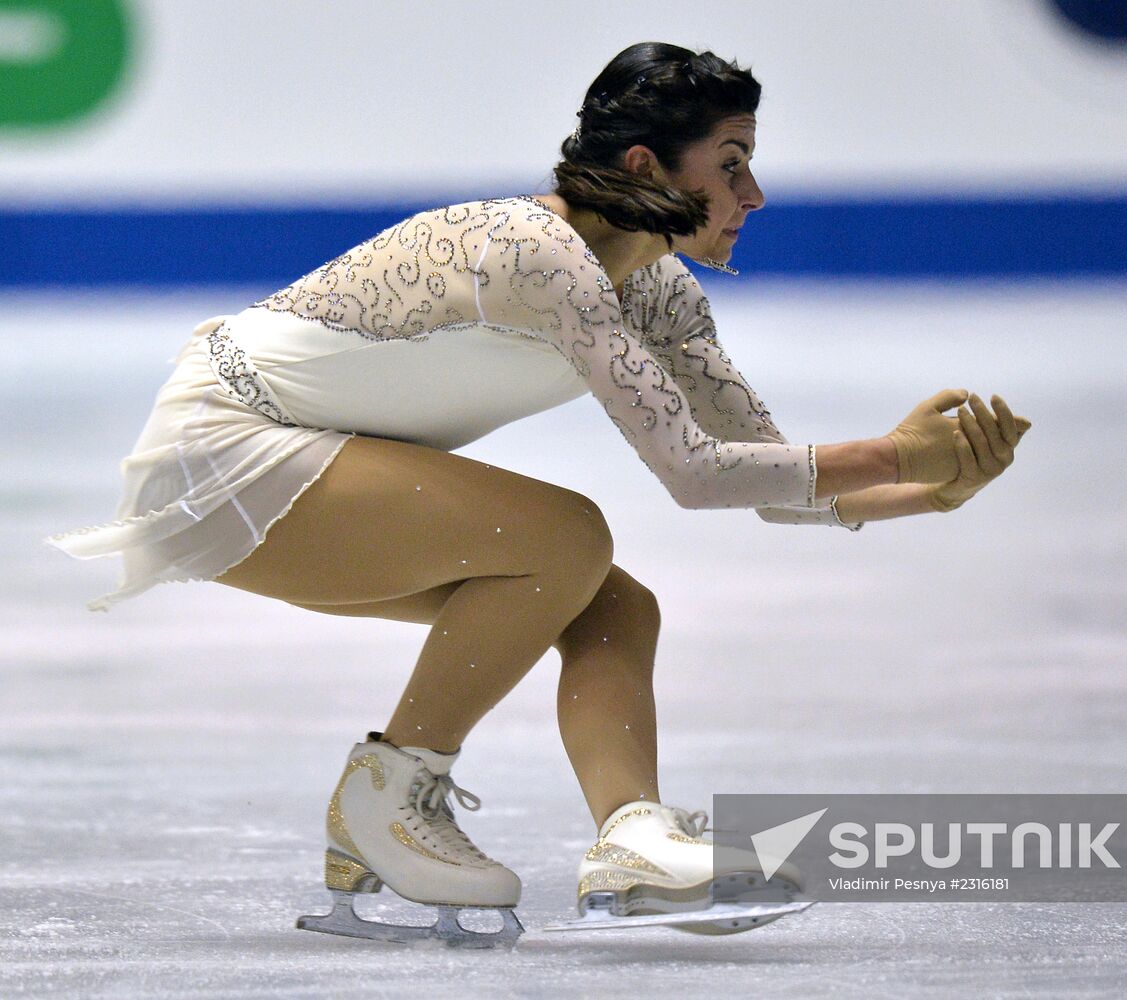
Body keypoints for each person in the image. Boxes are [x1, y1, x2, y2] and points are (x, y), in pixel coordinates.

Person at [43, 41, 1030, 945]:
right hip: (231, 447)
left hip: (323, 454)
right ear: (646, 167)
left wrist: (929, 488)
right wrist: (893, 453)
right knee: (562, 535)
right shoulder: (534, 253)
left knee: (611, 604)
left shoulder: (660, 293)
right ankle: (392, 797)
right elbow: (690, 474)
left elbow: (767, 479)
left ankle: (633, 840)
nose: (754, 192)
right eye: (729, 162)